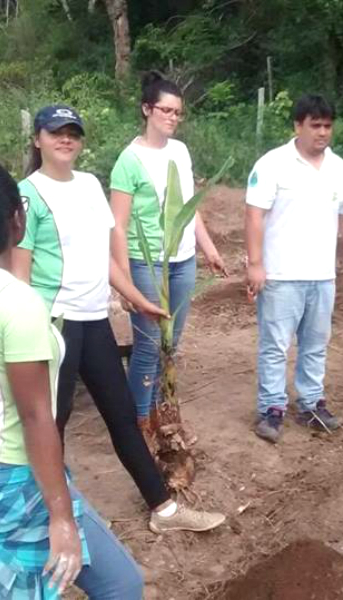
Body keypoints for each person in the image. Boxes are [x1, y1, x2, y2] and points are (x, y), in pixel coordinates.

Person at [0, 157, 144, 599]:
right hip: (8, 474)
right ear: (17, 218)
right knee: (120, 585)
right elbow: (37, 415)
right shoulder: (16, 302)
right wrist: (61, 516)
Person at [12, 104, 226, 534]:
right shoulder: (27, 194)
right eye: (56, 132)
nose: (66, 139)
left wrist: (135, 298)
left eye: (73, 132)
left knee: (123, 414)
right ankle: (36, 512)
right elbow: (21, 270)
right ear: (37, 139)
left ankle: (163, 509)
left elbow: (103, 257)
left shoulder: (90, 185)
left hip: (93, 319)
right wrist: (28, 327)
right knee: (52, 420)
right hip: (55, 323)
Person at [109, 72, 227, 431]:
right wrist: (124, 281)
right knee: (147, 345)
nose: (173, 118)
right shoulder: (128, 161)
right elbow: (118, 224)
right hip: (147, 262)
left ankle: (163, 409)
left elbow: (186, 207)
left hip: (183, 259)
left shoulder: (180, 151)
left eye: (178, 112)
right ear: (147, 110)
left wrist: (209, 248)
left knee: (170, 341)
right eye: (166, 110)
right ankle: (139, 421)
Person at [244, 94, 343, 443]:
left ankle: (311, 403)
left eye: (327, 125)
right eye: (315, 125)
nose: (322, 132)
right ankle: (272, 409)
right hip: (281, 276)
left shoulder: (339, 169)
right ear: (298, 126)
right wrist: (255, 264)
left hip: (321, 276)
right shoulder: (272, 165)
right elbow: (254, 215)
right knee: (275, 345)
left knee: (315, 343)